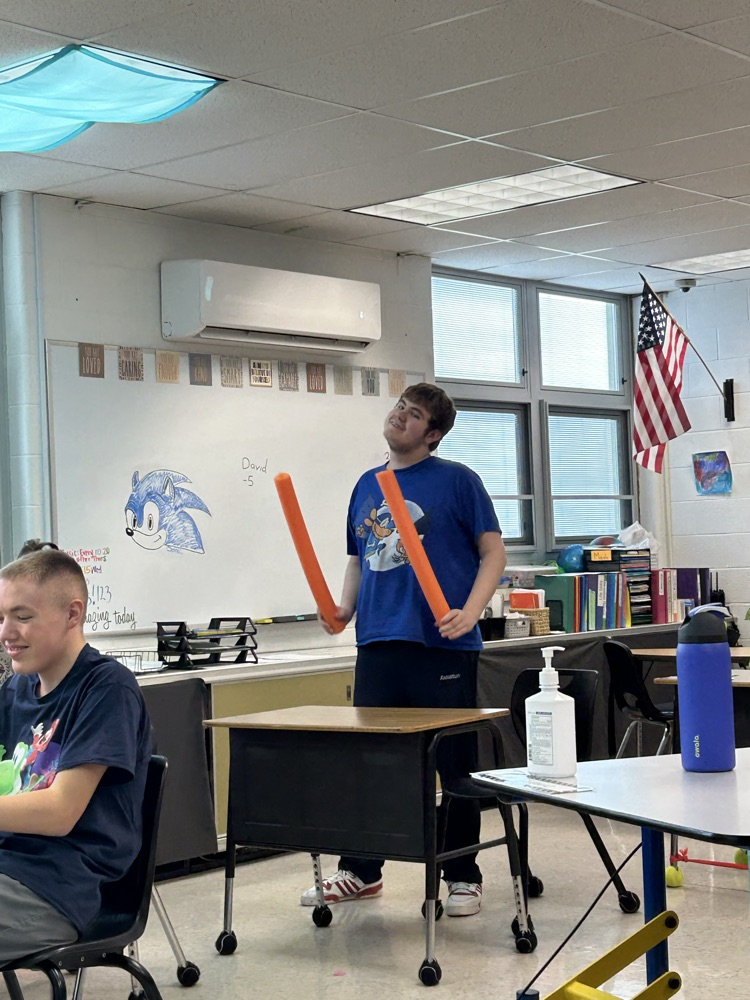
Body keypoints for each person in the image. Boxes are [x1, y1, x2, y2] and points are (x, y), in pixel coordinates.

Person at [301, 383, 506, 917]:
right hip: (378, 642)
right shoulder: (367, 484)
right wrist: (345, 609)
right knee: (372, 764)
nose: (400, 417)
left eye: (414, 415)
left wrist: (471, 611)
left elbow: (493, 553)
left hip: (442, 644)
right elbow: (359, 557)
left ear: (432, 435)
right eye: (400, 408)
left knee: (453, 764)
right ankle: (361, 870)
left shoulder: (458, 480)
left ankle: (462, 874)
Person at [0, 548, 152, 962]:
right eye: (2, 617)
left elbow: (60, 811)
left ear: (72, 614)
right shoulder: (16, 689)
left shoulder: (106, 689)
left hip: (56, 887)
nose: (6, 633)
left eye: (22, 617)